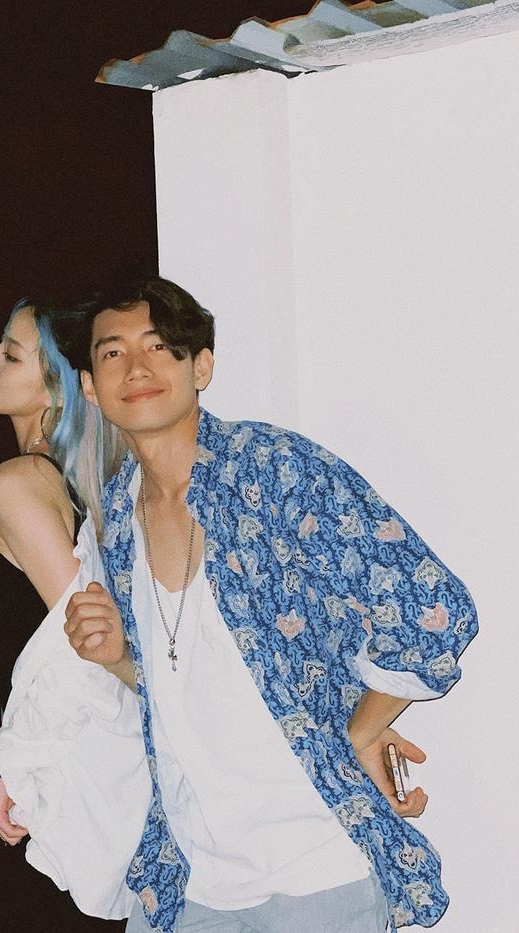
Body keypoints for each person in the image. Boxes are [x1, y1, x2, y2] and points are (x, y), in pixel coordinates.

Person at [63, 274, 478, 933]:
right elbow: (191, 683)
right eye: (113, 352)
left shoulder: (274, 469)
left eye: (160, 346)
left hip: (315, 873)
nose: (136, 366)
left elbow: (432, 608)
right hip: (191, 876)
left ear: (201, 367)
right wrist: (117, 658)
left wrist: (360, 731)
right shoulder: (115, 511)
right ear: (90, 385)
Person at [0, 298, 149, 931]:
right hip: (86, 774)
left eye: (11, 355)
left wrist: (13, 760)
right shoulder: (68, 483)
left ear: (59, 390)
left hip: (69, 783)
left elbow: (81, 648)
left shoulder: (17, 483)